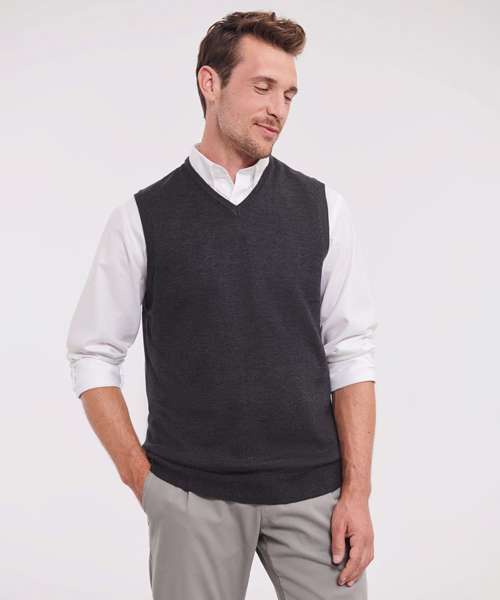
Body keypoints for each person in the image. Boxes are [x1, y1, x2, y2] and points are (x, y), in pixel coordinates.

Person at [66, 10, 378, 600]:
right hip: (190, 496)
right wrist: (143, 481)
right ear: (210, 83)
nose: (278, 108)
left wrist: (357, 494)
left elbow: (351, 353)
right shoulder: (142, 218)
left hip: (315, 495)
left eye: (289, 94)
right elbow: (93, 354)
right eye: (263, 87)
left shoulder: (324, 210)